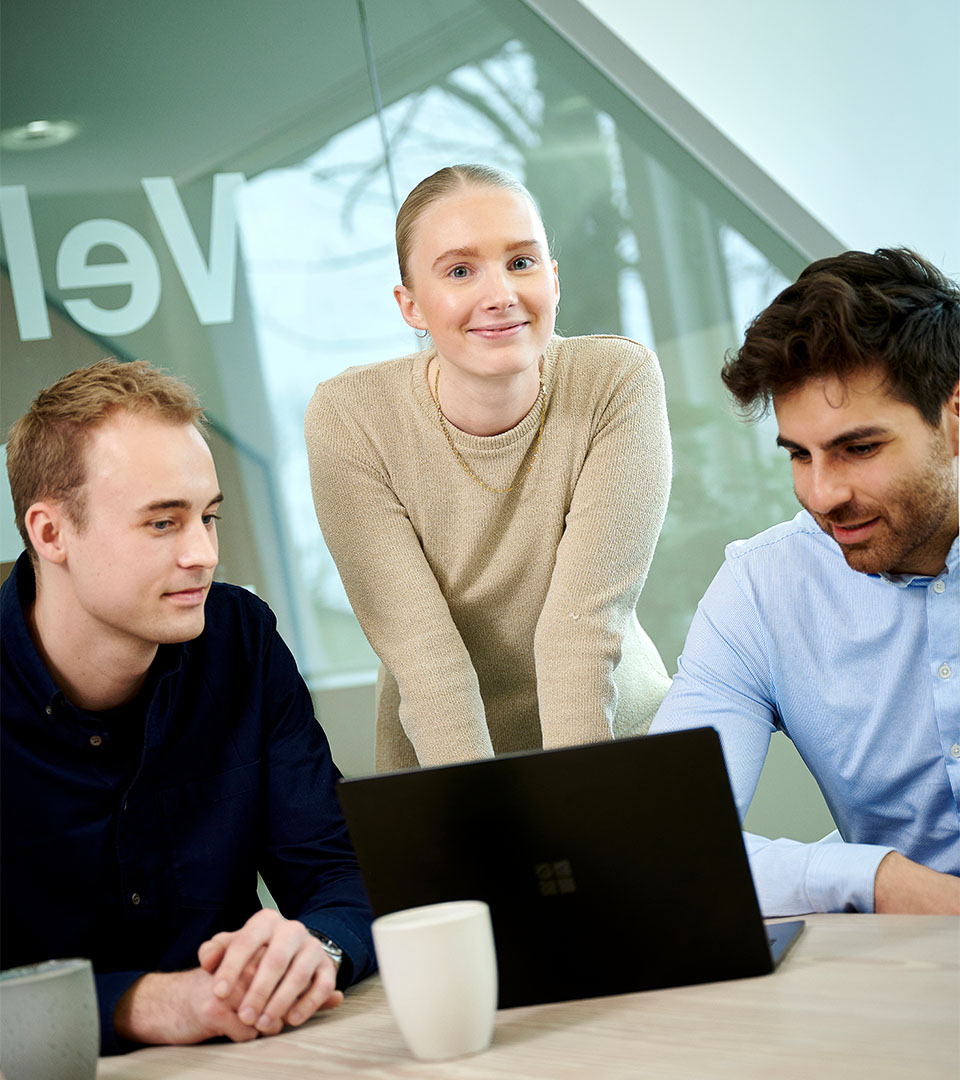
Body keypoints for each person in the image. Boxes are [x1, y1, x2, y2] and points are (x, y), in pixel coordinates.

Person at [0, 360, 375, 1054]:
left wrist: (316, 948)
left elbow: (337, 872)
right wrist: (140, 1006)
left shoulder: (241, 641)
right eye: (162, 523)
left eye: (208, 517)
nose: (202, 553)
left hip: (255, 1054)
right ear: (51, 534)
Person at [305, 164, 672, 771]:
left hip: (614, 745)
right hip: (444, 773)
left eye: (521, 262)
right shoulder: (351, 417)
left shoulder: (615, 381)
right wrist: (482, 812)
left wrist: (588, 805)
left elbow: (581, 630)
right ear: (410, 305)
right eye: (460, 271)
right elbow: (426, 659)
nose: (500, 294)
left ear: (553, 279)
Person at [649, 247, 960, 916]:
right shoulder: (762, 592)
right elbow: (668, 842)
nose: (823, 494)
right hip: (901, 957)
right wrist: (877, 879)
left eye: (859, 448)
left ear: (953, 414)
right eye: (799, 454)